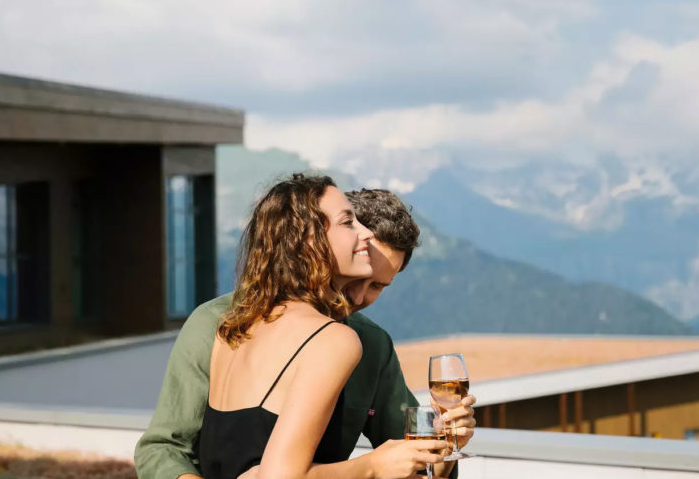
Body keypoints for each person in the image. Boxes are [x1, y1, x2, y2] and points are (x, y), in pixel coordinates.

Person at [136, 179, 474, 479]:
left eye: (377, 287)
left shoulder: (371, 343)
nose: (359, 296)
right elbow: (163, 449)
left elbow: (413, 464)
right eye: (360, 276)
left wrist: (444, 440)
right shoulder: (220, 321)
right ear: (317, 245)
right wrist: (370, 467)